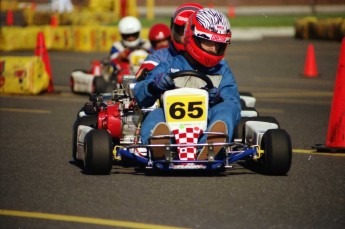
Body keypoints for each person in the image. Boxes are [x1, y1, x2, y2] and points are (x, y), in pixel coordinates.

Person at [134, 8, 241, 160]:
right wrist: (153, 86)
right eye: (208, 42)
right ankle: (160, 145)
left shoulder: (222, 71)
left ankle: (209, 144)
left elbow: (232, 100)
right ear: (192, 37)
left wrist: (218, 99)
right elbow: (139, 94)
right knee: (154, 115)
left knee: (228, 108)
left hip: (208, 120)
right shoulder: (169, 65)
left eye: (218, 45)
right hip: (170, 118)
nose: (213, 48)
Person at [135, 3, 203, 81]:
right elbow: (139, 83)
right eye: (181, 31)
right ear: (172, 28)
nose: (186, 37)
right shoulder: (159, 58)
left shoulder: (212, 64)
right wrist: (149, 77)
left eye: (190, 33)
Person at [109, 16, 151, 83]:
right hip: (126, 73)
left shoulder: (147, 44)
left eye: (134, 35)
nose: (131, 38)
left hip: (145, 71)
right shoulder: (117, 46)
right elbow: (112, 61)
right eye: (127, 35)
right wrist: (120, 56)